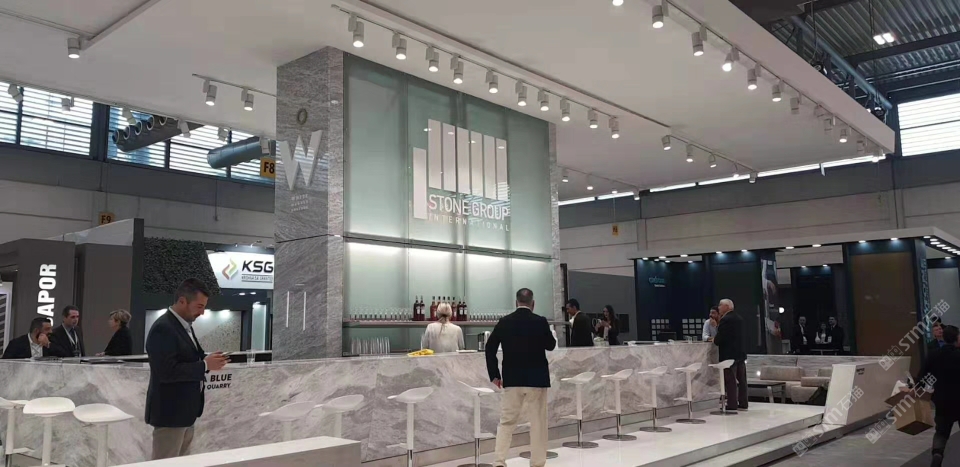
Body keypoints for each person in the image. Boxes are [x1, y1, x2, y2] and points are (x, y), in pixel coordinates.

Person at [146, 278, 229, 460]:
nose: (203, 312)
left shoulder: (183, 326)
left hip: (185, 412)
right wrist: (205, 365)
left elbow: (189, 357)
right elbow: (167, 372)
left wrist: (208, 359)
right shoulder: (164, 328)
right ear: (182, 301)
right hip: (170, 414)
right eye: (199, 306)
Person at [485, 288, 556, 467]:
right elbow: (551, 345)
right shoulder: (540, 321)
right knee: (538, 423)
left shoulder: (504, 322)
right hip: (537, 380)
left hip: (512, 379)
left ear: (516, 302)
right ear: (533, 304)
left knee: (507, 422)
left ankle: (499, 462)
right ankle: (537, 462)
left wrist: (494, 375)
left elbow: (490, 347)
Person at [911, 324, 960, 467]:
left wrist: (916, 389)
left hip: (942, 400)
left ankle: (937, 454)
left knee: (941, 432)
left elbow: (922, 376)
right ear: (956, 338)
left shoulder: (933, 355)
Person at [714, 298, 748, 411]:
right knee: (742, 380)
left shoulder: (725, 320)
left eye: (720, 305)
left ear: (727, 307)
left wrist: (714, 339)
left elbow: (719, 339)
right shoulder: (740, 318)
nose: (718, 307)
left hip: (729, 355)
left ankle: (732, 404)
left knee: (730, 381)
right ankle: (743, 402)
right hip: (740, 354)